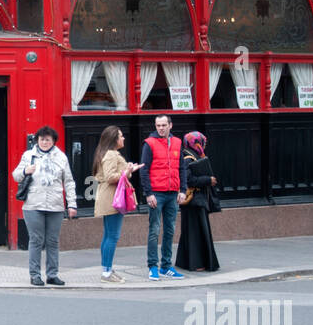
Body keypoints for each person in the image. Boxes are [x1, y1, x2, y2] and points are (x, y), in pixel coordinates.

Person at [12, 125, 77, 287]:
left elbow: (68, 182)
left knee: (53, 241)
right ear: (37, 140)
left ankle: (52, 274)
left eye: (48, 139)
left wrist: (72, 204)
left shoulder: (61, 157)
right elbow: (15, 175)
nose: (45, 142)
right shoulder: (29, 155)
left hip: (55, 205)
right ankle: (34, 275)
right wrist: (26, 170)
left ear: (54, 141)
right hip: (33, 204)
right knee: (36, 240)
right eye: (42, 139)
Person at [92, 125, 143, 284]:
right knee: (112, 236)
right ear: (114, 139)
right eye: (121, 136)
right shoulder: (111, 154)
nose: (123, 138)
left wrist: (130, 169)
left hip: (108, 196)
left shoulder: (105, 153)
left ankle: (107, 269)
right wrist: (127, 171)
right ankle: (106, 273)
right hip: (113, 197)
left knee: (108, 235)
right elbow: (110, 177)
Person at [140, 114, 187, 280]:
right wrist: (148, 194)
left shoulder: (177, 142)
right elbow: (144, 171)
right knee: (154, 230)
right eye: (158, 125)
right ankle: (153, 266)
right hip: (156, 194)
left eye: (163, 125)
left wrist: (183, 189)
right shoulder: (149, 143)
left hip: (173, 193)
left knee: (170, 230)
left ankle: (166, 266)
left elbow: (182, 167)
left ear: (170, 125)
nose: (160, 128)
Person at [175, 131, 220, 273]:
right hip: (194, 200)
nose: (205, 144)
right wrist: (208, 180)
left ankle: (188, 262)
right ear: (197, 143)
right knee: (196, 232)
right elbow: (188, 179)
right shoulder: (188, 157)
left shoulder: (190, 155)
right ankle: (196, 263)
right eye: (203, 142)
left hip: (195, 201)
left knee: (192, 232)